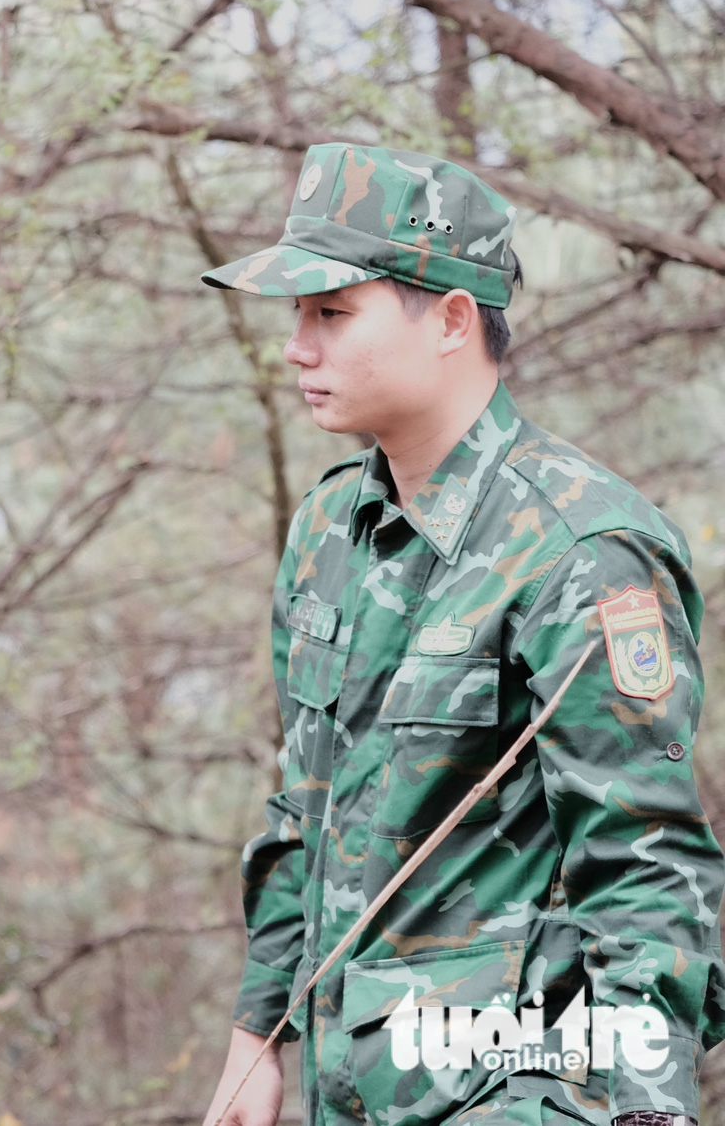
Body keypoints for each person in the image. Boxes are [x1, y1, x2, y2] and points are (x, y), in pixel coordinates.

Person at [195, 144, 725, 1126]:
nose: (294, 347)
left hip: (524, 1087)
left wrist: (650, 1110)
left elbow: (642, 858)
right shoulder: (328, 529)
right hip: (353, 1085)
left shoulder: (578, 544)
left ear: (448, 318)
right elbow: (299, 810)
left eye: (330, 311)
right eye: (294, 314)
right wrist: (256, 1035)